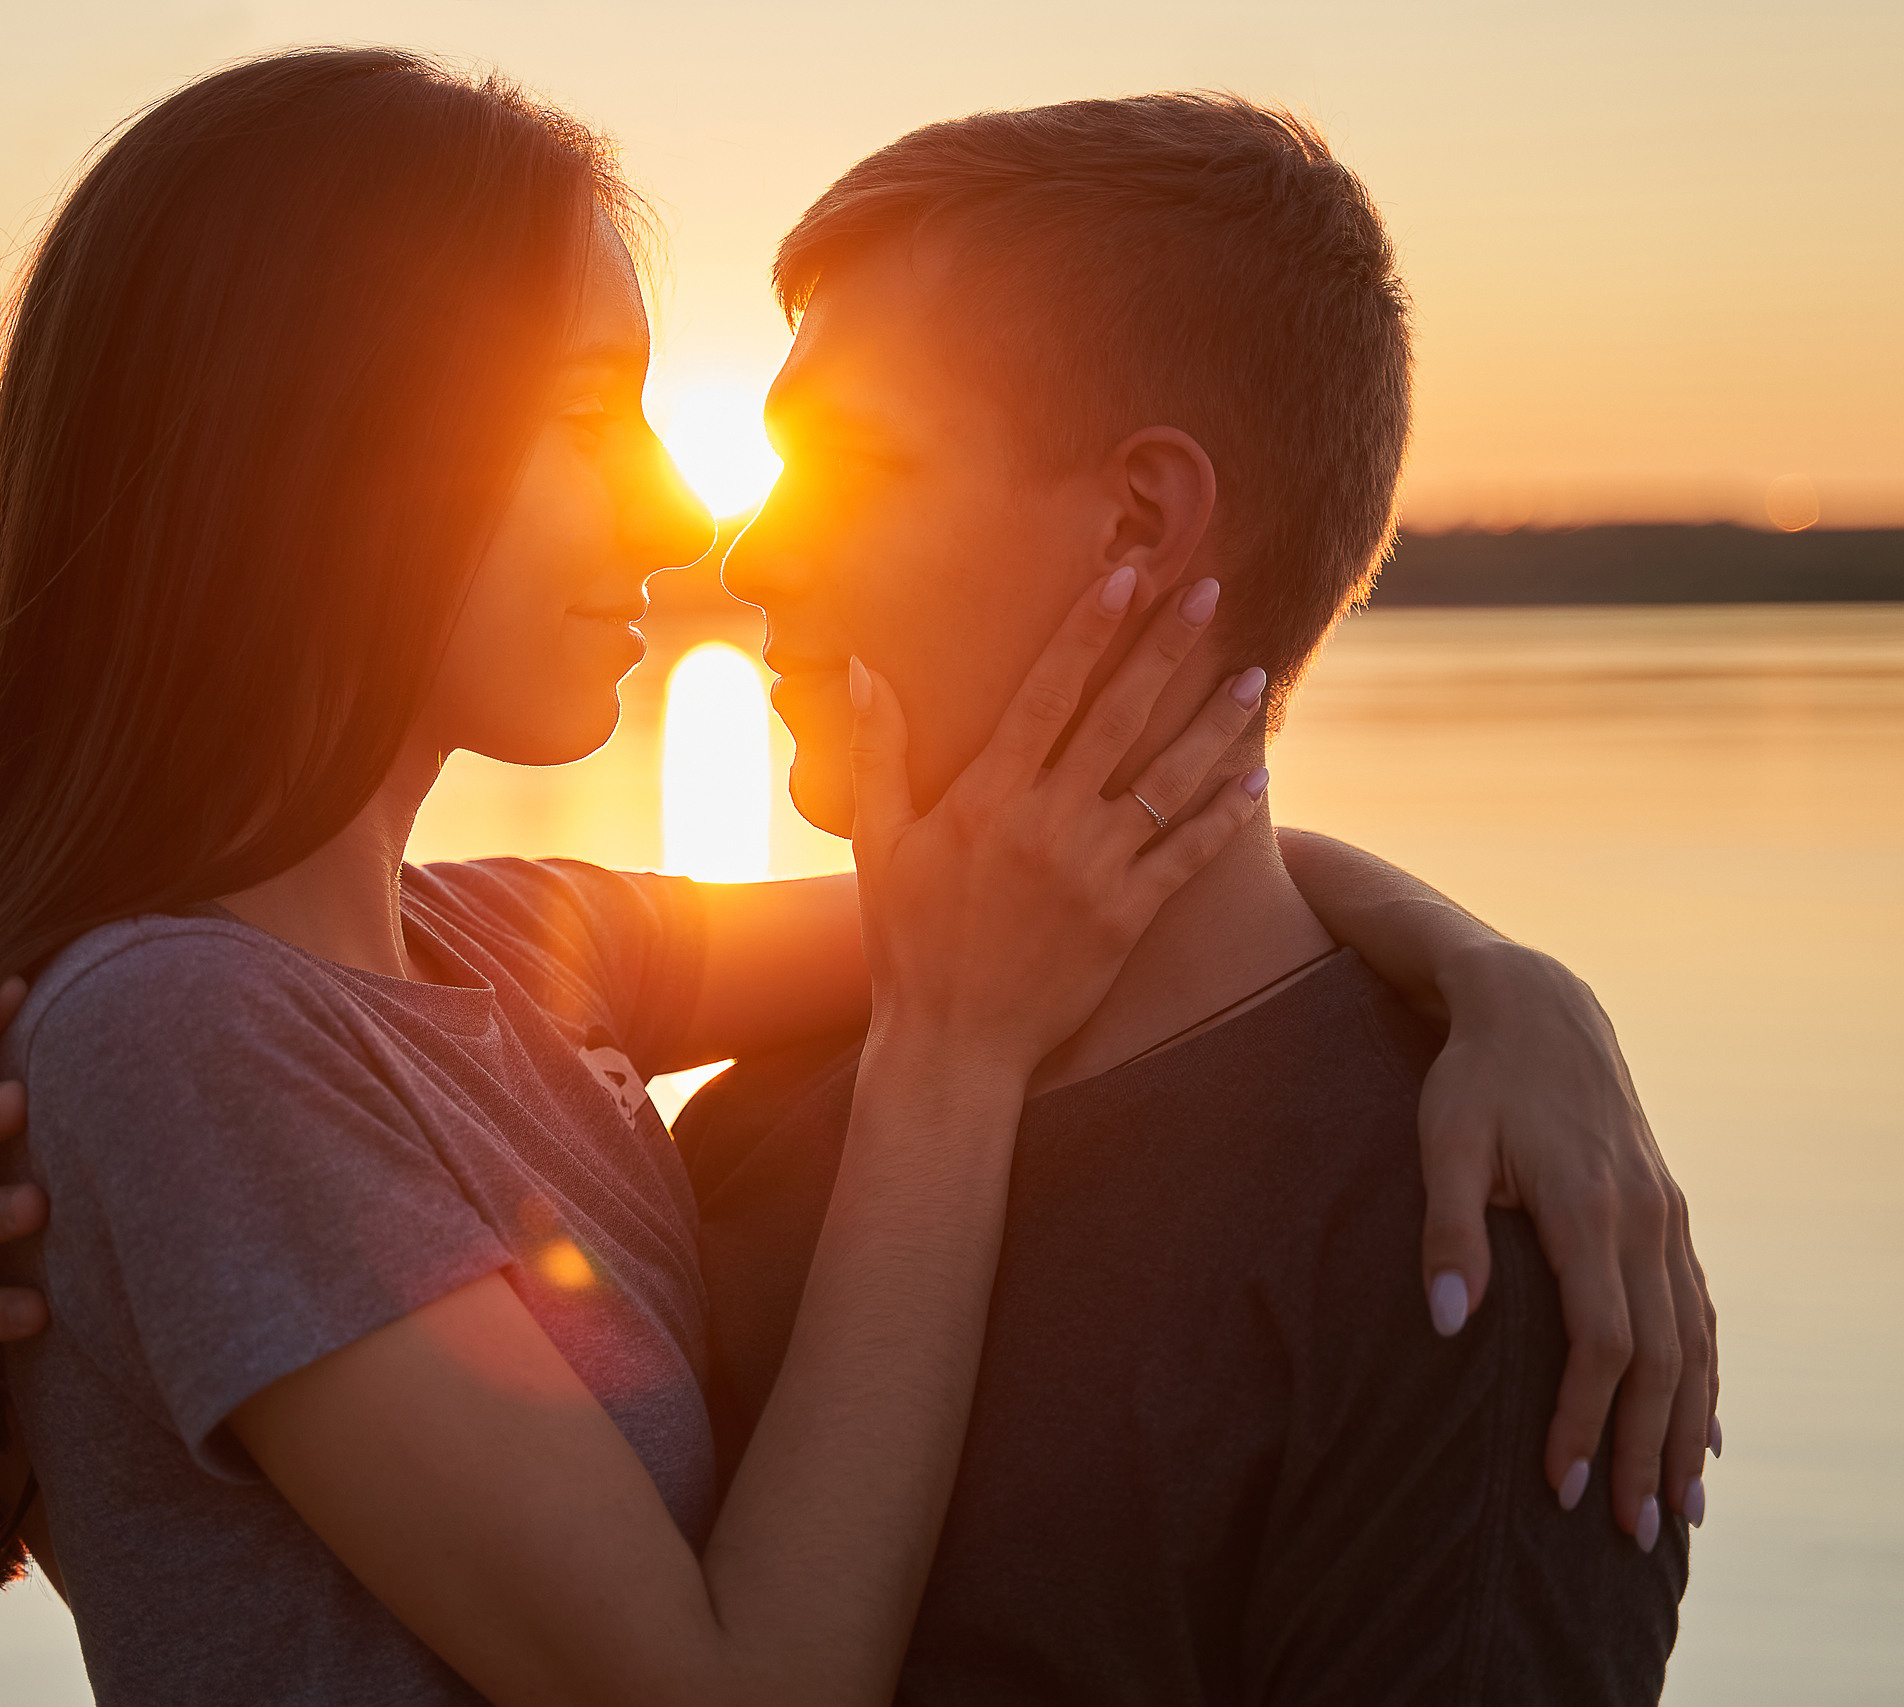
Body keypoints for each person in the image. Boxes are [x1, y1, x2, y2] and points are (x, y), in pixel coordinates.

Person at [0, 50, 1712, 1707]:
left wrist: (1497, 982)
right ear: (332, 458)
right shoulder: (235, 1042)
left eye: (849, 467)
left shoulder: (528, 965)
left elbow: (1031, 914)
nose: (709, 540)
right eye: (587, 417)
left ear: (1138, 519)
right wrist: (949, 1056)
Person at [675, 94, 1696, 1700]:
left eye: (850, 467)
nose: (751, 560)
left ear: (1141, 523)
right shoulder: (740, 1138)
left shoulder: (1454, 1238)